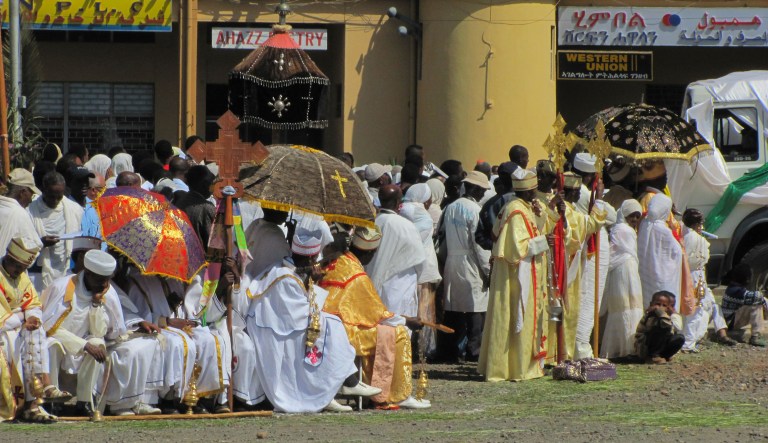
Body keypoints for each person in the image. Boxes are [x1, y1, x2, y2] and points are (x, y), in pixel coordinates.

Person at [244, 220, 380, 413]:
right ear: (312, 258)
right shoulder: (285, 278)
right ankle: (341, 384)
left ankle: (341, 383)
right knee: (332, 327)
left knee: (332, 326)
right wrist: (314, 283)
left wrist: (309, 280)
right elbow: (304, 313)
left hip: (278, 327)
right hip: (274, 332)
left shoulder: (283, 268)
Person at [320, 227, 430, 409]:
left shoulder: (338, 261)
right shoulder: (357, 275)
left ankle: (374, 387)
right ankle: (397, 395)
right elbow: (378, 314)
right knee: (398, 333)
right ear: (370, 253)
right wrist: (406, 321)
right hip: (344, 333)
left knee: (385, 330)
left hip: (328, 327)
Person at [479, 169, 561, 381]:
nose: (536, 192)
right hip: (516, 276)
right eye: (534, 189)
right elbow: (517, 248)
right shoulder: (515, 211)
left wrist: (547, 212)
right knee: (516, 315)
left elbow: (534, 229)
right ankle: (514, 368)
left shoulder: (523, 207)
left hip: (525, 271)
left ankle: (524, 365)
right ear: (528, 191)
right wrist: (545, 242)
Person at [120, 269, 228, 413]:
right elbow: (138, 315)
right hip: (158, 326)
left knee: (211, 340)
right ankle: (171, 398)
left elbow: (191, 308)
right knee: (179, 343)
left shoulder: (176, 280)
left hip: (182, 326)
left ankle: (200, 397)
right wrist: (166, 320)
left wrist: (190, 321)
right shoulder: (137, 282)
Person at [41, 250, 126, 417]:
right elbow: (49, 327)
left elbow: (100, 332)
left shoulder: (107, 292)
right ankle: (51, 400)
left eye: (107, 280)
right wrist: (84, 346)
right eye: (100, 280)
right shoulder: (62, 287)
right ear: (87, 273)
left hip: (84, 343)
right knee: (51, 345)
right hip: (59, 341)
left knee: (98, 344)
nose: (104, 285)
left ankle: (85, 401)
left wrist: (96, 304)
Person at [0, 238, 72, 423]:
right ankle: (26, 404)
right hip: (4, 327)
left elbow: (33, 303)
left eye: (23, 268)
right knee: (11, 344)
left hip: (18, 324)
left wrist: (32, 318)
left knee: (36, 332)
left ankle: (37, 397)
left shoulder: (21, 276)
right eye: (17, 266)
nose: (20, 271)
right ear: (8, 259)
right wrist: (23, 319)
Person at [550, 172, 605, 362]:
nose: (577, 195)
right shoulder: (566, 213)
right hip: (565, 269)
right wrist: (598, 200)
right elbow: (593, 224)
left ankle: (557, 352)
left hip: (559, 267)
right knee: (566, 309)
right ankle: (561, 353)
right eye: (574, 192)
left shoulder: (566, 212)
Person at [438, 172, 491, 363]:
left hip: (453, 259)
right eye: (482, 191)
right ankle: (474, 350)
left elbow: (441, 237)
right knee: (475, 307)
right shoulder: (476, 210)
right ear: (475, 189)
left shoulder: (450, 208)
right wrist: (487, 270)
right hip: (471, 260)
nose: (483, 194)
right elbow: (479, 244)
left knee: (454, 307)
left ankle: (449, 349)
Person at [366, 185, 426, 324]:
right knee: (397, 332)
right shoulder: (407, 226)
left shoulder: (371, 223)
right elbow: (420, 262)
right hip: (398, 287)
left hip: (370, 285)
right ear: (398, 203)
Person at [681, 209, 737, 351]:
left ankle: (690, 339)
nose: (702, 227)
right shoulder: (696, 239)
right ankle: (689, 341)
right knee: (697, 309)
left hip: (692, 275)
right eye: (700, 224)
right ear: (695, 224)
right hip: (695, 277)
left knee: (698, 307)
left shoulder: (685, 236)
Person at [399, 183, 441, 358]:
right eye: (429, 197)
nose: (431, 201)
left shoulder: (400, 209)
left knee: (409, 308)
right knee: (424, 309)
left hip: (405, 269)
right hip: (423, 267)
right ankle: (424, 350)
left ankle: (408, 347)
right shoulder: (421, 214)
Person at [599, 199, 644, 359]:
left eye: (637, 217)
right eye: (632, 216)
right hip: (622, 270)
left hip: (630, 269)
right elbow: (612, 253)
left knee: (631, 305)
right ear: (624, 214)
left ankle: (629, 346)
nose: (634, 220)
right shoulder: (621, 229)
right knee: (623, 306)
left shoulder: (622, 229)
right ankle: (624, 347)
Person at [28, 172, 85, 292]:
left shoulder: (74, 209)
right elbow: (24, 242)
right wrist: (41, 243)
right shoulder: (29, 211)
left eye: (59, 196)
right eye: (51, 196)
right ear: (43, 190)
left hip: (66, 267)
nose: (55, 200)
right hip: (37, 272)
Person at [637, 194, 686, 311]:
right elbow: (677, 252)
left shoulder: (644, 224)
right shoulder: (663, 230)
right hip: (663, 279)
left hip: (646, 275)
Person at [721, 264, 767, 347]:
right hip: (731, 322)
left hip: (731, 320)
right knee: (756, 306)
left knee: (759, 302)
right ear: (747, 279)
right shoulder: (736, 291)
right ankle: (755, 336)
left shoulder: (732, 287)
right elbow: (758, 296)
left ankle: (756, 335)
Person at [634, 291, 685, 364]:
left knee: (679, 338)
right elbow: (661, 326)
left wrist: (669, 314)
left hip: (659, 346)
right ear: (651, 304)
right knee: (662, 328)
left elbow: (675, 327)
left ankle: (664, 356)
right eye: (658, 304)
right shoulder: (650, 315)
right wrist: (660, 313)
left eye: (664, 305)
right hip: (644, 347)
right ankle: (652, 357)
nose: (660, 307)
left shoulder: (665, 315)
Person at [475, 162, 516, 251]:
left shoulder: (489, 204)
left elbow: (480, 237)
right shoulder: (526, 202)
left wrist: (497, 246)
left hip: (497, 258)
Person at [0, 169, 42, 253]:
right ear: (22, 192)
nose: (30, 200)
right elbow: (34, 247)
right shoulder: (19, 214)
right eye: (31, 195)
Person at [175, 165, 216, 245]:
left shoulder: (181, 200)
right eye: (211, 184)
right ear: (205, 185)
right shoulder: (207, 208)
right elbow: (213, 242)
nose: (213, 188)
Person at [244, 208, 291, 278]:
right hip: (260, 283)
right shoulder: (275, 233)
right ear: (275, 211)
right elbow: (286, 264)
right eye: (285, 210)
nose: (287, 214)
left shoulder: (256, 223)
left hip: (245, 276)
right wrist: (290, 237)